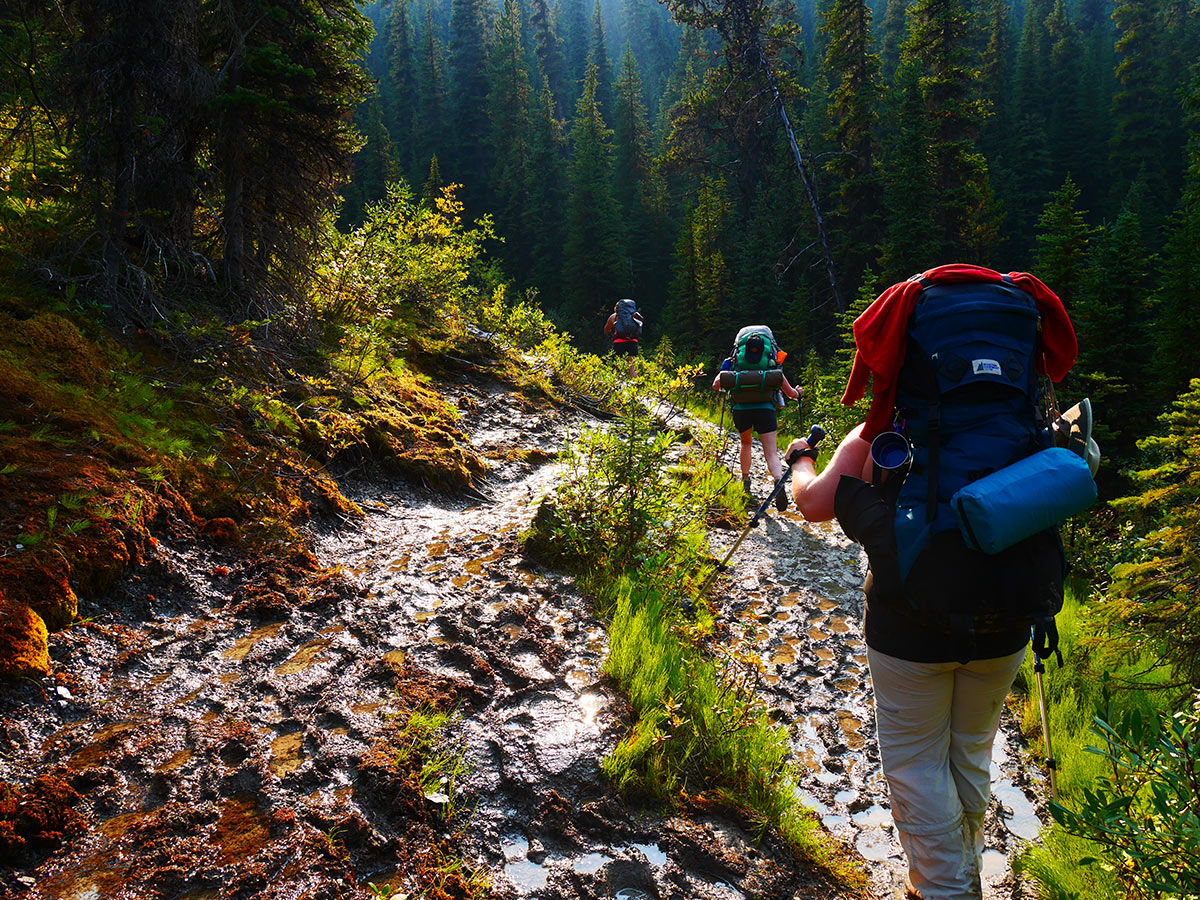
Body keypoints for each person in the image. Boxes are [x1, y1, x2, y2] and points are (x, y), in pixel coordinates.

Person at [785, 264, 1079, 899]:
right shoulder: (1025, 433)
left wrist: (801, 459)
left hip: (908, 623)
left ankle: (946, 889)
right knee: (970, 753)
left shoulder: (880, 434)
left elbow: (810, 505)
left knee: (918, 767)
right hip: (1008, 621)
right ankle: (964, 868)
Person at [712, 328, 801, 509]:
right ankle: (777, 481)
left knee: (746, 444)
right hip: (765, 410)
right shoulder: (771, 364)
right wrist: (799, 393)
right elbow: (791, 394)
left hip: (741, 410)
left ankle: (745, 480)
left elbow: (716, 385)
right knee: (771, 452)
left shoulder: (732, 362)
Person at [604, 299, 644, 377]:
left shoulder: (614, 317)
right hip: (633, 342)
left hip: (619, 343)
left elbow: (606, 330)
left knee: (616, 366)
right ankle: (635, 387)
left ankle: (615, 386)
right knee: (631, 368)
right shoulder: (635, 316)